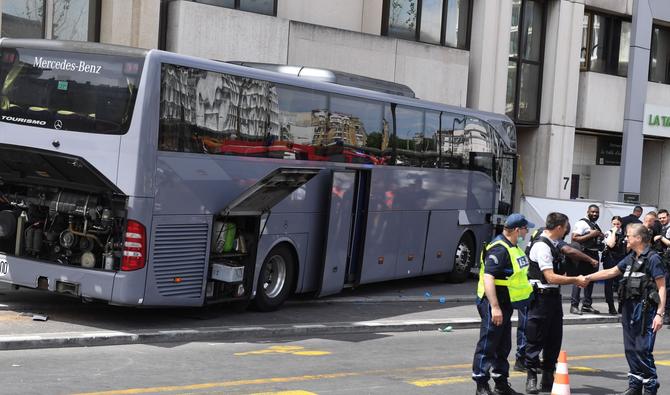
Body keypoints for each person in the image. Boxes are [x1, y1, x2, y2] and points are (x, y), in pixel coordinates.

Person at [585, 223, 666, 395]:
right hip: (629, 308)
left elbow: (662, 288)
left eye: (629, 235)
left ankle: (650, 387)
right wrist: (587, 277)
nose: (626, 238)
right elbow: (612, 271)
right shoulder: (631, 258)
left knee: (642, 349)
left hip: (646, 310)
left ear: (638, 238)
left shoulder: (652, 258)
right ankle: (635, 386)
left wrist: (660, 313)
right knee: (630, 348)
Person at [513, 222, 598, 372]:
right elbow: (568, 251)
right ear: (559, 229)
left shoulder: (540, 234)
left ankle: (529, 361)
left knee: (536, 329)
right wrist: (590, 260)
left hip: (530, 286)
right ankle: (523, 360)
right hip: (533, 289)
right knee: (530, 328)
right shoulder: (546, 240)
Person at [524, 212, 588, 394]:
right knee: (535, 338)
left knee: (554, 338)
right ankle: (531, 376)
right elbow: (550, 277)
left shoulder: (553, 244)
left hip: (553, 297)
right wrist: (576, 280)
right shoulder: (542, 246)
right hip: (541, 297)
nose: (567, 230)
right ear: (559, 227)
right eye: (566, 226)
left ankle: (547, 376)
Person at [472, 213, 534, 395]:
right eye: (525, 228)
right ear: (516, 230)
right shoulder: (499, 249)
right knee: (488, 344)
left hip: (506, 302)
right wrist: (496, 307)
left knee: (503, 344)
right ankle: (481, 384)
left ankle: (501, 383)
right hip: (494, 302)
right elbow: (488, 277)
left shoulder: (513, 247)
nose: (526, 231)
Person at [570, 205, 604, 314]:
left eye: (597, 212)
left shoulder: (595, 225)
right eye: (593, 212)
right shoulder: (582, 223)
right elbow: (574, 238)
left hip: (594, 253)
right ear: (588, 212)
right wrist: (591, 234)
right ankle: (574, 305)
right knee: (579, 279)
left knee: (591, 279)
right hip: (583, 254)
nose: (595, 214)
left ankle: (587, 305)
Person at [603, 216, 627, 315]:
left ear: (621, 224)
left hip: (620, 260)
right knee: (608, 284)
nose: (616, 226)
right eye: (614, 224)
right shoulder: (608, 233)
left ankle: (621, 305)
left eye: (618, 224)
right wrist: (613, 232)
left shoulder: (624, 234)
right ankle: (611, 306)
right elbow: (611, 244)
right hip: (610, 260)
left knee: (622, 284)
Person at [654, 209, 670, 324]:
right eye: (660, 218)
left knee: (668, 287)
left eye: (663, 218)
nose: (662, 220)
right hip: (663, 260)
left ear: (668, 216)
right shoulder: (661, 228)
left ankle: (668, 313)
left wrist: (660, 237)